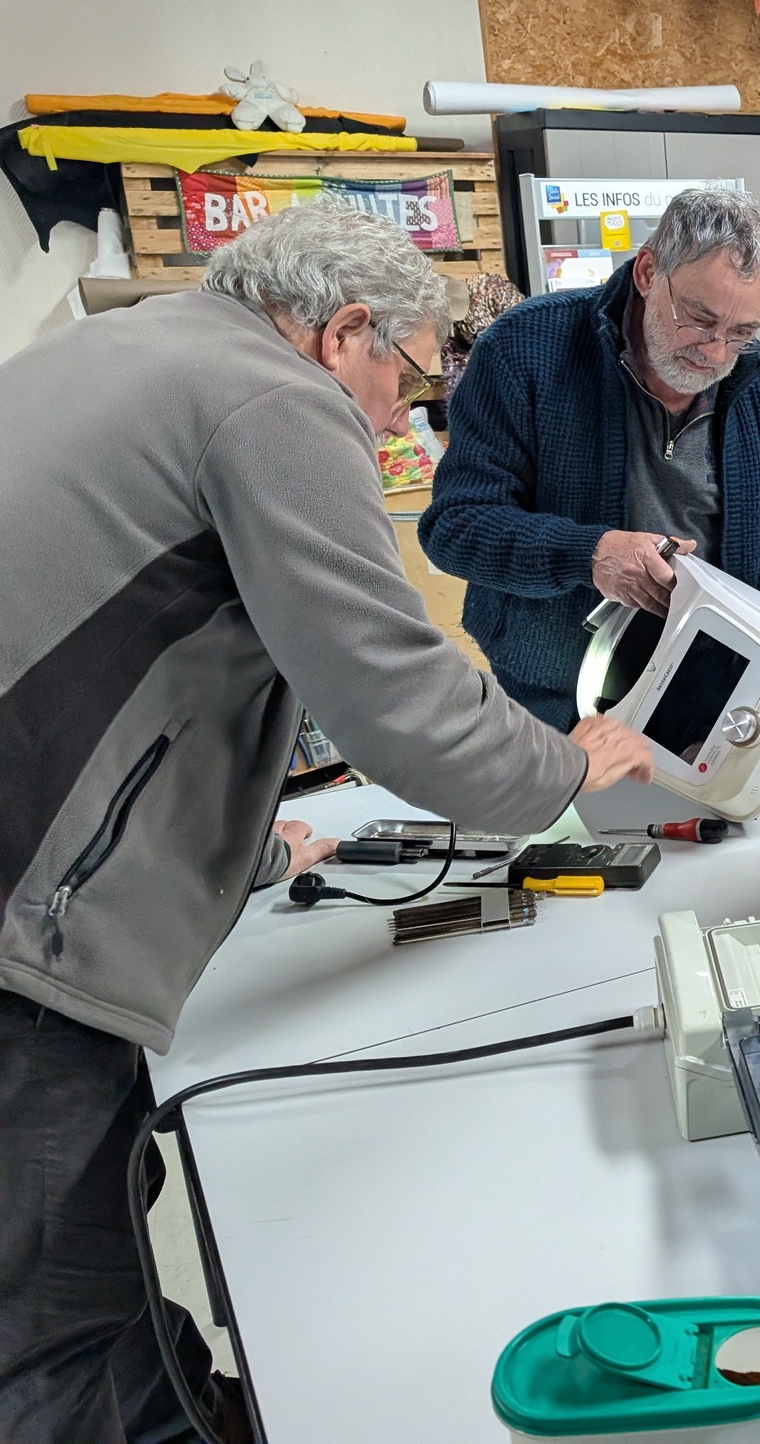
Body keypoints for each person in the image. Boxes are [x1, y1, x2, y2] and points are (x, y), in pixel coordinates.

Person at [0, 202, 653, 1444]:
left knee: (84, 1267)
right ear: (342, 332)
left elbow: (134, 636)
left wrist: (240, 847)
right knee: (50, 1309)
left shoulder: (135, 347)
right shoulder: (275, 398)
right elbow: (391, 689)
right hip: (22, 936)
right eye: (405, 386)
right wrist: (562, 771)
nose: (402, 424)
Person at [418, 188, 760, 732]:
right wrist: (591, 554)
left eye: (742, 332)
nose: (715, 351)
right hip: (555, 683)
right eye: (699, 319)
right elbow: (456, 526)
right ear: (648, 273)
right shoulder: (525, 349)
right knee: (570, 817)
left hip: (714, 680)